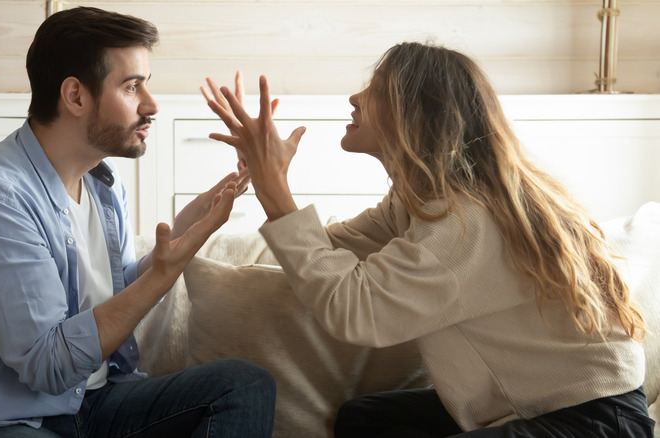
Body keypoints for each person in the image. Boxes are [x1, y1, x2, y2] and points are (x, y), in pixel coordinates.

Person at [201, 42, 655, 437]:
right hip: (537, 406)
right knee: (363, 420)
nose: (354, 99)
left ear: (415, 112)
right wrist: (266, 181)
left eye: (374, 90)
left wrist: (275, 187)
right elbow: (325, 250)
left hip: (593, 421)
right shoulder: (422, 201)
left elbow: (356, 310)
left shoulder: (467, 221)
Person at [0, 7, 276, 438]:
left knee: (243, 385)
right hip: (8, 420)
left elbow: (108, 291)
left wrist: (181, 238)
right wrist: (163, 275)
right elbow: (48, 366)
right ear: (76, 96)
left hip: (93, 401)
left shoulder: (102, 182)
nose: (151, 104)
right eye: (131, 86)